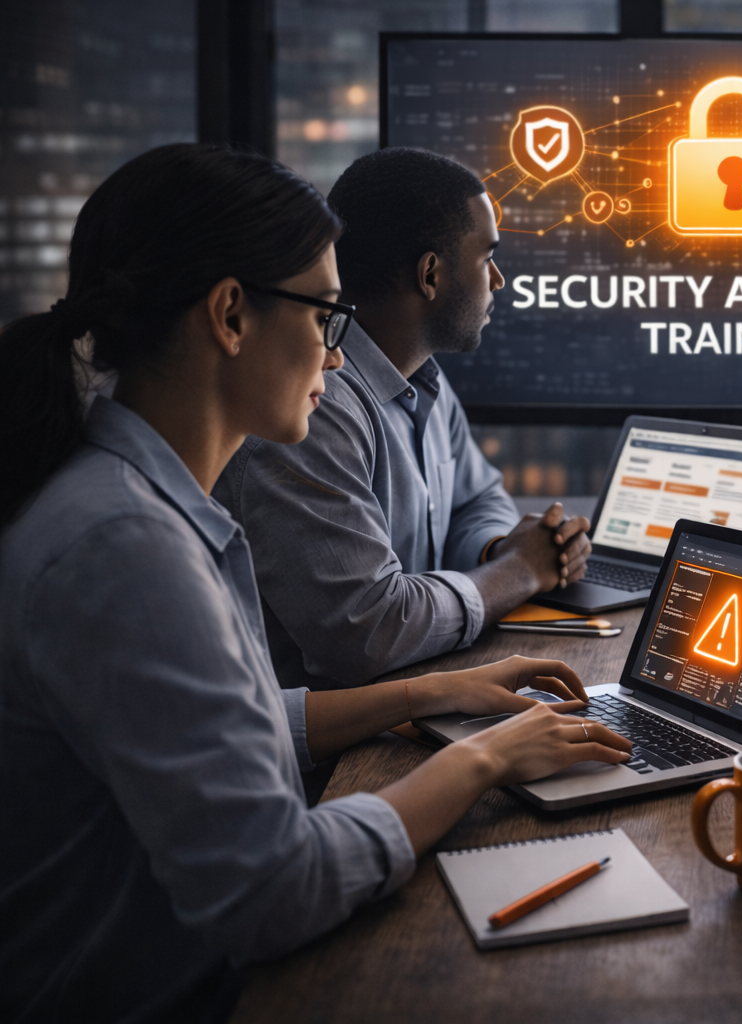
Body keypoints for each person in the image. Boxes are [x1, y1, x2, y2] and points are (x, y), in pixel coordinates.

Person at [0, 144, 631, 1023]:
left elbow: (232, 725)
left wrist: (427, 691)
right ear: (230, 316)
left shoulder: (141, 503)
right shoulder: (124, 549)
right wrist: (484, 757)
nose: (337, 360)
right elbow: (278, 887)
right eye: (327, 318)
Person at [212, 146, 591, 692]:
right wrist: (518, 572)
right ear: (430, 274)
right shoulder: (312, 406)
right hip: (335, 757)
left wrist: (496, 550)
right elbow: (367, 633)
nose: (499, 280)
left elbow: (477, 497)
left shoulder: (424, 376)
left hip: (419, 690)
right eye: (487, 257)